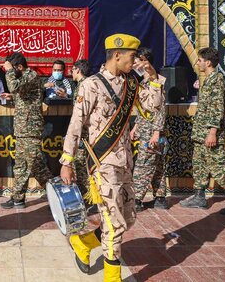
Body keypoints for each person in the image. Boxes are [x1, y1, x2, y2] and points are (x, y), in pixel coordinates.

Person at [60, 33, 165, 281]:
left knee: (127, 217)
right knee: (114, 220)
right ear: (117, 55)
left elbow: (153, 107)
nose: (136, 61)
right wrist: (66, 161)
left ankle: (84, 243)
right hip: (102, 163)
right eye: (132, 56)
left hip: (126, 160)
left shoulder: (131, 82)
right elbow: (76, 124)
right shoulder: (91, 85)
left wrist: (152, 77)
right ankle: (112, 276)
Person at [179, 47, 225, 215]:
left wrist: (212, 132)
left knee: (218, 168)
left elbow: (217, 108)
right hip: (201, 133)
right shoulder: (209, 80)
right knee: (200, 165)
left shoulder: (217, 80)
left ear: (208, 62)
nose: (198, 63)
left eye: (200, 61)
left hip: (209, 133)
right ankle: (199, 197)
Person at [0, 52, 53, 209]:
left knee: (37, 167)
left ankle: (60, 194)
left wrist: (9, 71)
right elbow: (23, 94)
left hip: (30, 129)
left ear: (20, 67)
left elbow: (14, 85)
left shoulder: (31, 75)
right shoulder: (27, 78)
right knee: (22, 165)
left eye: (12, 68)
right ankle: (18, 198)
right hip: (23, 130)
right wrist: (12, 97)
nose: (9, 71)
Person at [131, 47, 168, 212]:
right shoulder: (143, 82)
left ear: (146, 62)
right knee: (158, 165)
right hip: (146, 129)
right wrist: (136, 127)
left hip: (153, 131)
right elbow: (143, 110)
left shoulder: (157, 81)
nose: (134, 64)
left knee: (143, 165)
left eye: (137, 61)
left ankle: (136, 200)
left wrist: (156, 132)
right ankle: (160, 198)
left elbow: (159, 109)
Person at [71, 59, 92, 201]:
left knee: (81, 166)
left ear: (77, 70)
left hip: (83, 134)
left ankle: (87, 198)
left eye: (72, 70)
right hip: (83, 133)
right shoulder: (83, 84)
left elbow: (82, 114)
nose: (71, 73)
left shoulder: (84, 86)